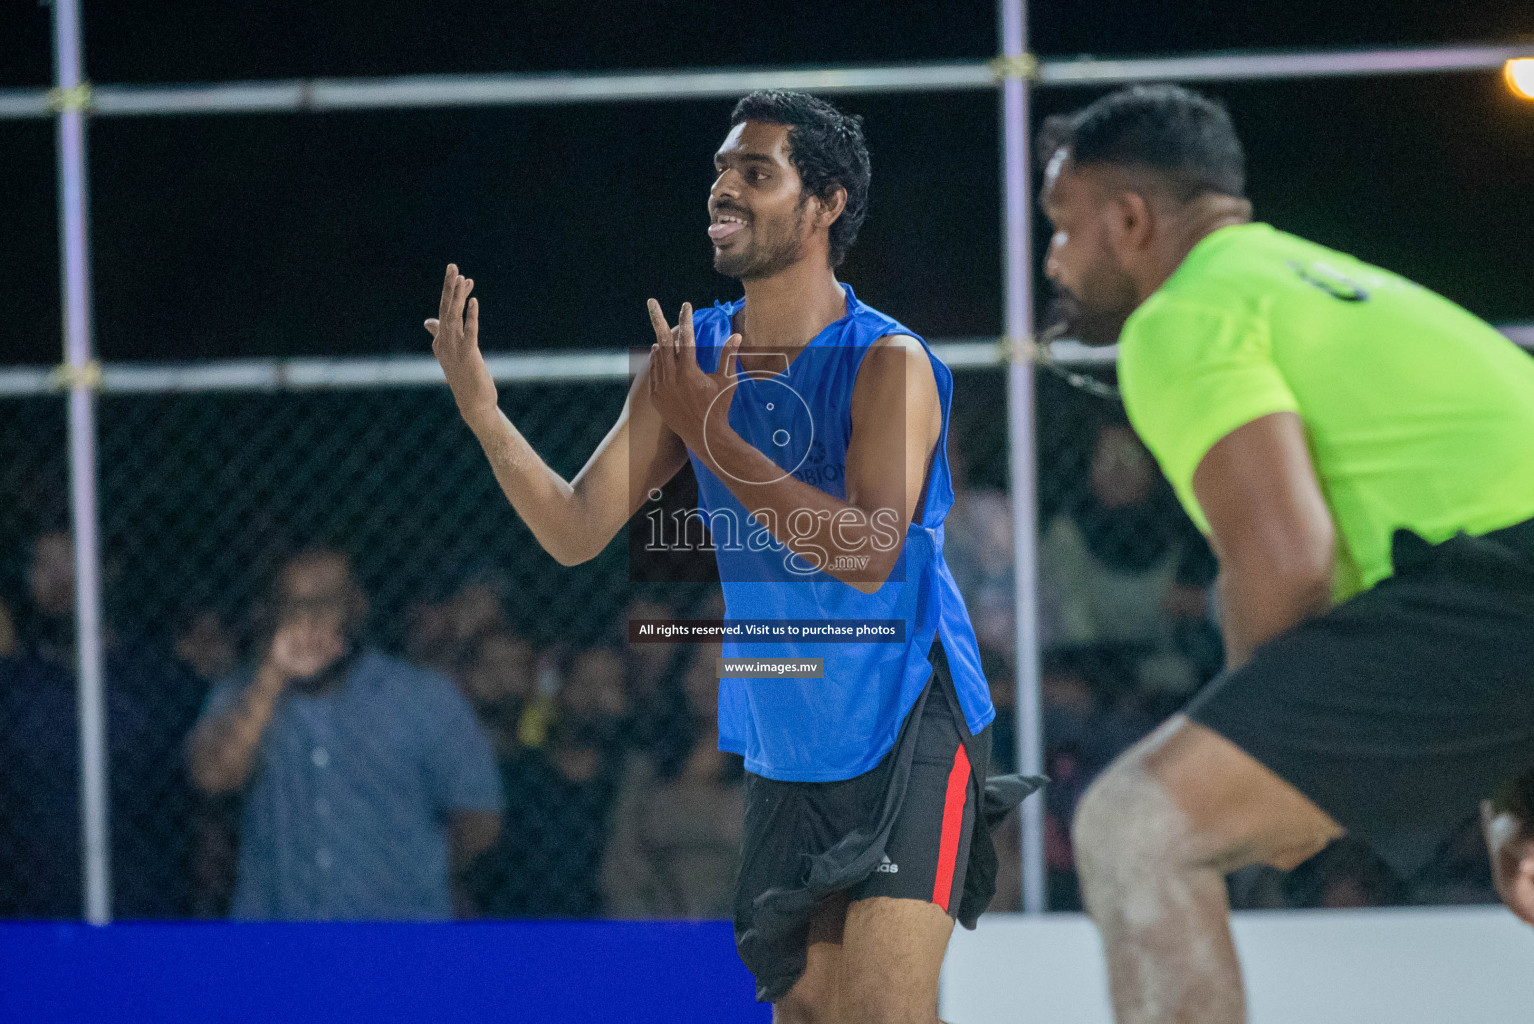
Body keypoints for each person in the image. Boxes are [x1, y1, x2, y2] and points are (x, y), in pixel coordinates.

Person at [428, 90, 1041, 1020]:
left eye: (755, 172)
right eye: (720, 170)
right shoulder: (693, 357)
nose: (724, 188)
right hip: (788, 729)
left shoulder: (888, 361)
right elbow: (573, 529)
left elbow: (870, 550)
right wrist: (483, 414)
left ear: (826, 203)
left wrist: (708, 430)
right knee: (804, 1010)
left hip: (911, 714)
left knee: (882, 1009)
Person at [1037, 83, 1534, 1023]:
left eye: (1063, 226)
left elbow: (1286, 559)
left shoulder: (1184, 318)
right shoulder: (1327, 284)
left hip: (1501, 587)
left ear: (1129, 219)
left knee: (1139, 828)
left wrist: (1266, 744)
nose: (1055, 259)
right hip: (1497, 596)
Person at [185, 547, 503, 920]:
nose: (310, 619)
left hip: (396, 938)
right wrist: (273, 676)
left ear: (357, 606)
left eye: (326, 602)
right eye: (295, 603)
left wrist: (411, 869)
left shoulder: (422, 696)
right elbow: (213, 777)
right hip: (280, 941)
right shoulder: (240, 692)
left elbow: (480, 819)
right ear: (271, 612)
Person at [602, 641, 746, 919]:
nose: (710, 680)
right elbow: (621, 867)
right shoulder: (646, 769)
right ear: (682, 677)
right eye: (700, 669)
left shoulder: (766, 775)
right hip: (655, 930)